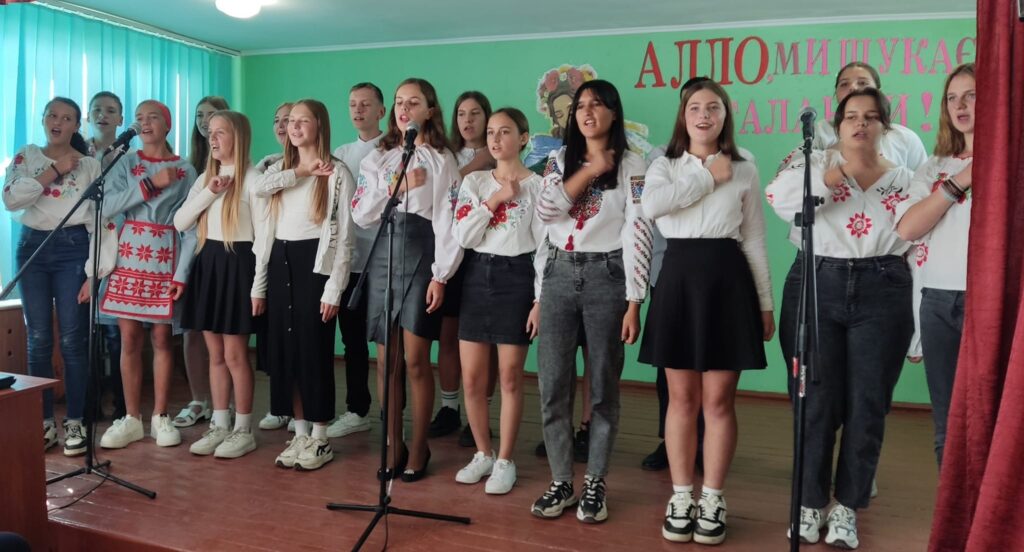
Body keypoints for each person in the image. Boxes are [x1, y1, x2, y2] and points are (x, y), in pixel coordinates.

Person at [767, 88, 915, 549]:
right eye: (851, 116)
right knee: (814, 400)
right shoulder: (814, 162)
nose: (861, 124)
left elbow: (919, 242)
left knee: (868, 404)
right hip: (819, 281)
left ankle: (848, 506)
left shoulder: (906, 179)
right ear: (838, 123)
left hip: (884, 285)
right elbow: (780, 200)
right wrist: (840, 171)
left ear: (885, 126)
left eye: (871, 117)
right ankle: (810, 502)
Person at [639, 80, 774, 545]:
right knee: (681, 399)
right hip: (677, 279)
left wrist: (765, 302)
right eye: (694, 107)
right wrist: (707, 177)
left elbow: (754, 237)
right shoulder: (664, 164)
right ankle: (681, 496)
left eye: (713, 107)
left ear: (725, 115)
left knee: (718, 402)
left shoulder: (745, 166)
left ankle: (713, 496)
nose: (703, 115)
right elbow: (652, 207)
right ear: (683, 115)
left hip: (727, 282)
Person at [531, 79, 652, 523]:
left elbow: (639, 230)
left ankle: (595, 481)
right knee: (552, 386)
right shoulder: (558, 160)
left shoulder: (634, 165)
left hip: (608, 275)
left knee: (602, 388)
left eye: (597, 104)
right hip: (558, 274)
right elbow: (546, 215)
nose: (587, 112)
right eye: (580, 105)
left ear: (613, 112)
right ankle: (562, 480)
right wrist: (589, 169)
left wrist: (635, 300)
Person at [352, 77, 463, 482]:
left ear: (430, 110)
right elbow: (361, 213)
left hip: (421, 253)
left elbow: (448, 221)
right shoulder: (379, 158)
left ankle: (419, 445)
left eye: (413, 102)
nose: (403, 109)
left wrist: (441, 275)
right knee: (387, 362)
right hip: (384, 253)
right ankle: (392, 442)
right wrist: (395, 187)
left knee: (415, 360)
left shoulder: (442, 159)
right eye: (399, 102)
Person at [254, 99, 355, 471]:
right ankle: (299, 432)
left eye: (303, 121)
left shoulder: (338, 173)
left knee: (314, 352)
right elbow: (259, 190)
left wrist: (334, 289)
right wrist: (299, 171)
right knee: (286, 354)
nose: (293, 127)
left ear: (320, 125)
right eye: (290, 121)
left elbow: (345, 239)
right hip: (281, 262)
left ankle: (320, 435)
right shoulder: (280, 169)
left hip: (315, 266)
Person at [3, 97, 106, 455]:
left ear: (77, 125)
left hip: (73, 247)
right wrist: (54, 171)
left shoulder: (90, 164)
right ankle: (44, 421)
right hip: (32, 245)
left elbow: (100, 221)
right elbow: (11, 199)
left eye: (66, 118)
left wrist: (94, 274)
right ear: (43, 119)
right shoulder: (27, 155)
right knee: (38, 339)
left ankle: (75, 420)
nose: (57, 122)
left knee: (73, 339)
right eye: (52, 115)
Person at [451, 107, 543, 494]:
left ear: (523, 138)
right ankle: (483, 453)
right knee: (472, 378)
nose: (495, 138)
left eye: (505, 132)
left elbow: (544, 247)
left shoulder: (539, 186)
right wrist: (497, 199)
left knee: (509, 376)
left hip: (517, 277)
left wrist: (539, 300)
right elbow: (463, 236)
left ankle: (505, 459)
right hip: (476, 276)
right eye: (491, 132)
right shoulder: (475, 182)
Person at [97, 100, 198, 450]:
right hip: (128, 256)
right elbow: (107, 206)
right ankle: (131, 418)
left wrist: (182, 274)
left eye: (153, 117)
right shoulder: (125, 162)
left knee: (161, 338)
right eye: (139, 117)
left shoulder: (185, 169)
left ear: (167, 124)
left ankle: (160, 416)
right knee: (129, 339)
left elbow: (192, 227)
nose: (145, 123)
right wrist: (148, 185)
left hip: (166, 255)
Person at [895, 63, 975, 467]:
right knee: (947, 424)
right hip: (939, 301)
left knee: (992, 417)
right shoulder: (934, 166)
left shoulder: (1011, 162)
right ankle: (953, 504)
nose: (960, 105)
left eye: (971, 95)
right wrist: (963, 178)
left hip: (992, 300)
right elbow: (909, 227)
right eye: (952, 98)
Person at [175, 110, 267, 459]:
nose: (212, 139)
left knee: (234, 354)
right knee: (214, 353)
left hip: (238, 267)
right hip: (208, 264)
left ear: (237, 137)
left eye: (221, 132)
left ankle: (243, 429)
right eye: (210, 132)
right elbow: (181, 221)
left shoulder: (254, 180)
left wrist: (259, 286)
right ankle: (220, 422)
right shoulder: (206, 178)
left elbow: (264, 239)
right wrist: (210, 192)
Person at [430, 90, 497, 445]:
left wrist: (488, 159)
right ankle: (449, 407)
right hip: (452, 252)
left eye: (475, 113)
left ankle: (480, 415)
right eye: (461, 114)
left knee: (487, 338)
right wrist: (475, 163)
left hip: (489, 255)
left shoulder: (501, 154)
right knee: (448, 333)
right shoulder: (446, 156)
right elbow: (444, 191)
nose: (467, 120)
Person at [325, 83, 386, 439]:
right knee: (353, 341)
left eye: (365, 104)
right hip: (349, 261)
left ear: (381, 111)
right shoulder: (342, 153)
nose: (358, 110)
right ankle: (357, 409)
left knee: (388, 344)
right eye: (352, 105)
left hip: (383, 261)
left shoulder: (394, 150)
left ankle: (392, 412)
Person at [173, 95, 231, 429]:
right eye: (199, 115)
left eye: (212, 115)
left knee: (224, 335)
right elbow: (182, 220)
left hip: (221, 255)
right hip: (187, 256)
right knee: (191, 330)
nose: (204, 121)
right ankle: (199, 400)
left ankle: (227, 404)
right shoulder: (188, 166)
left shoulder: (234, 166)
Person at [254, 101, 295, 432]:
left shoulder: (316, 165)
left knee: (299, 341)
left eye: (290, 120)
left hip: (300, 255)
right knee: (274, 338)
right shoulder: (267, 166)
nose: (282, 126)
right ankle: (279, 405)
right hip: (269, 255)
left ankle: (300, 409)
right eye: (277, 120)